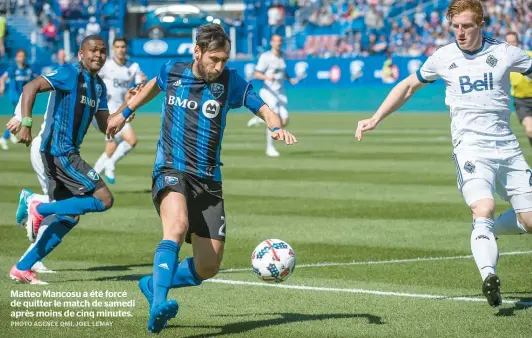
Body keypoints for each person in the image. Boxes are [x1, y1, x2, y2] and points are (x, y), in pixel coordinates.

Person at [105, 24, 297, 333]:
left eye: (224, 59)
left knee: (208, 266)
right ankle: (159, 304)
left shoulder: (231, 81)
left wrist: (274, 127)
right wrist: (124, 111)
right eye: (214, 59)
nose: (219, 66)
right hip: (171, 168)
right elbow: (153, 85)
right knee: (176, 227)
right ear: (198, 52)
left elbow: (262, 107)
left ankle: (153, 284)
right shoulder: (173, 70)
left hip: (208, 179)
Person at [355, 0, 532, 308]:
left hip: (508, 148)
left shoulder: (505, 53)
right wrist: (375, 117)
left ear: (480, 25)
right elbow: (408, 86)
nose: (460, 33)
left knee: (529, 221)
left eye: (466, 26)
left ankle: (486, 234)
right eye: (455, 27)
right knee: (483, 208)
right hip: (471, 148)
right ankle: (489, 276)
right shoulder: (443, 57)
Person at [8, 35, 128, 285]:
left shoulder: (99, 87)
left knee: (69, 216)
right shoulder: (70, 73)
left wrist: (127, 109)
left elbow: (107, 126)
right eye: (93, 50)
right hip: (59, 152)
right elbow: (30, 87)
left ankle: (22, 268)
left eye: (102, 51)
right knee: (104, 199)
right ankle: (37, 207)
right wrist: (26, 122)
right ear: (81, 54)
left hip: (65, 152)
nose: (98, 55)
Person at [93, 37, 145, 183]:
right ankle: (110, 164)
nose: (121, 49)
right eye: (117, 47)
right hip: (108, 113)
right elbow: (93, 78)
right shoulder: (106, 65)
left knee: (110, 147)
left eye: (123, 46)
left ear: (126, 48)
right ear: (113, 49)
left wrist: (142, 81)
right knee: (131, 140)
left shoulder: (132, 66)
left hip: (123, 110)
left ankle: (92, 178)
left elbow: (139, 85)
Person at [246, 34, 298, 157]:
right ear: (271, 42)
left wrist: (290, 79)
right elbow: (256, 74)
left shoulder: (283, 56)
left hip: (280, 92)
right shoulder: (265, 57)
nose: (278, 43)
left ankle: (260, 118)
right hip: (269, 92)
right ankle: (270, 148)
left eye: (280, 41)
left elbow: (283, 72)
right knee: (275, 120)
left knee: (284, 120)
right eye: (276, 41)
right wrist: (267, 77)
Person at [0, 49, 37, 150]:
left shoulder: (28, 69)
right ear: (16, 57)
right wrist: (2, 87)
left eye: (23, 56)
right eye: (19, 56)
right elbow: (3, 77)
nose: (21, 58)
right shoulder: (13, 68)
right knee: (19, 116)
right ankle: (4, 137)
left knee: (18, 116)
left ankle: (11, 134)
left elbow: (37, 78)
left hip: (24, 97)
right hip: (15, 97)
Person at [505, 32, 532, 148]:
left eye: (513, 42)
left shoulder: (529, 56)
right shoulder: (503, 62)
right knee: (530, 129)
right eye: (509, 43)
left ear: (518, 42)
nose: (512, 45)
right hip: (521, 102)